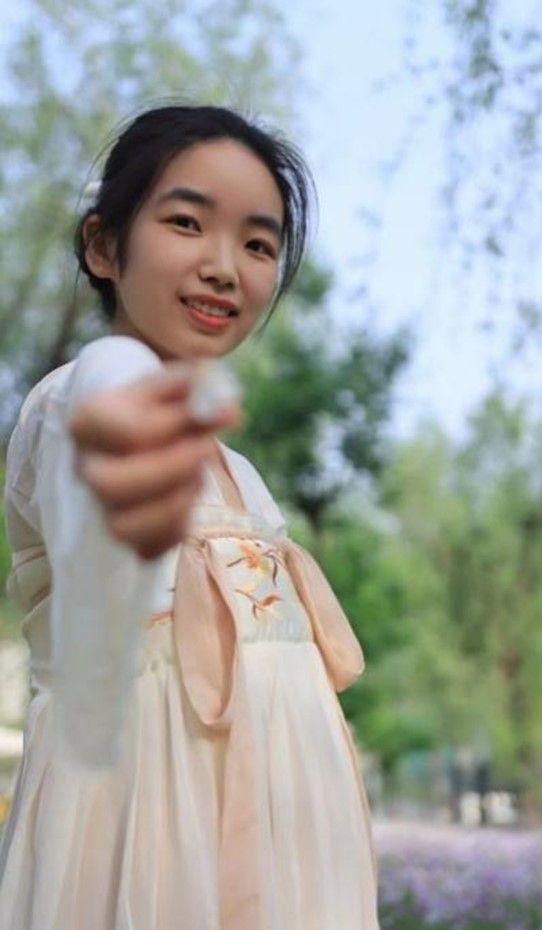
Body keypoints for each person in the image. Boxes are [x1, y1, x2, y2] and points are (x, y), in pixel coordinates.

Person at [0, 105, 379, 930]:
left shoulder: (244, 478)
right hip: (145, 823)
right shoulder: (77, 395)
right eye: (185, 223)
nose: (223, 267)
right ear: (104, 246)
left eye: (258, 244)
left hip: (290, 833)